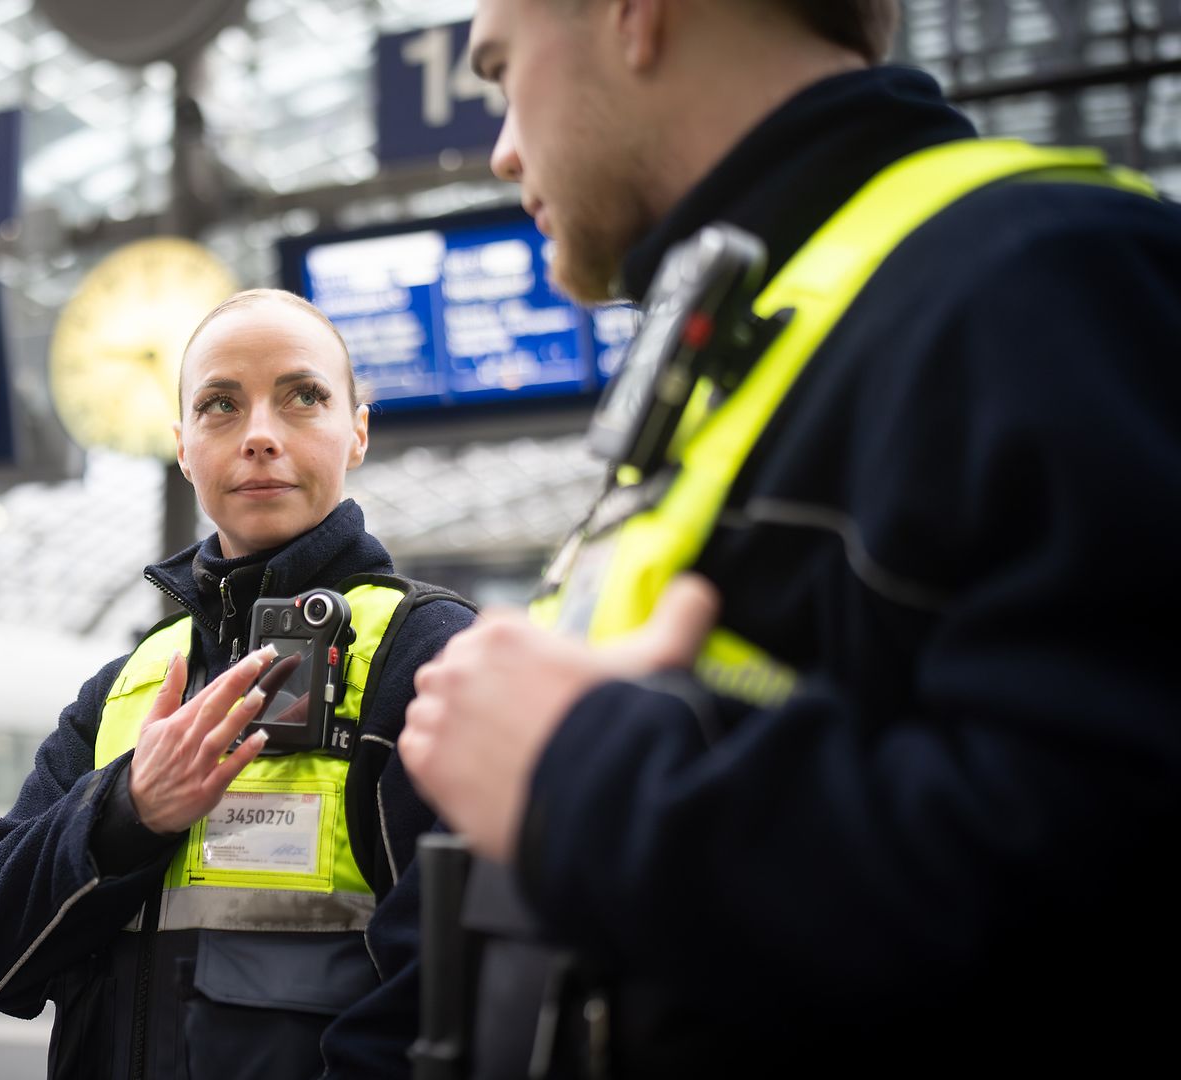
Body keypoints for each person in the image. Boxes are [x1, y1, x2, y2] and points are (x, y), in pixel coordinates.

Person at [397, 0, 1181, 1074]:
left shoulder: (1050, 278)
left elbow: (1106, 865)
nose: (500, 149)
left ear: (634, 17)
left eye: (500, 71)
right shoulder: (787, 319)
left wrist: (589, 773)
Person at [0, 288, 476, 1078]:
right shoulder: (123, 686)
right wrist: (125, 812)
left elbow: (457, 991)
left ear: (356, 431)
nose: (259, 434)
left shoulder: (424, 654)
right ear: (184, 447)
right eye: (221, 404)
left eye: (303, 396)